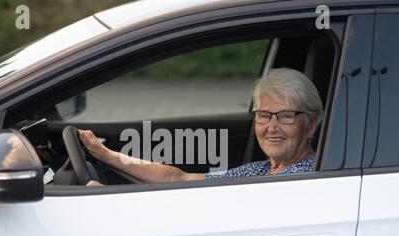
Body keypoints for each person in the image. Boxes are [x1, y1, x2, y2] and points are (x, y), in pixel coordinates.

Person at [79, 68, 322, 186]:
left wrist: (108, 201)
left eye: (286, 116)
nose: (272, 127)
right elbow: (181, 178)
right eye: (264, 115)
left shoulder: (298, 180)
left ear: (310, 126)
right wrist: (107, 155)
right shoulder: (261, 171)